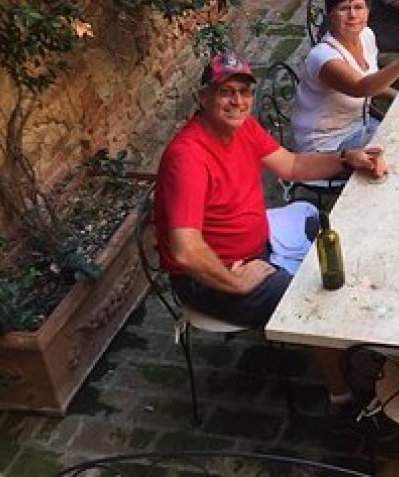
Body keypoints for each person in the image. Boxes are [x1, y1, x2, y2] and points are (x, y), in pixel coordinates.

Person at [155, 52, 382, 407]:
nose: (238, 102)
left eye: (244, 92)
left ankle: (354, 345)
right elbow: (185, 249)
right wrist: (236, 282)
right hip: (212, 275)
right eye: (226, 92)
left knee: (338, 240)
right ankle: (344, 396)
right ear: (203, 98)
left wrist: (344, 160)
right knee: (313, 303)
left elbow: (291, 165)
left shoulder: (243, 127)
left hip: (261, 242)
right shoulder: (187, 158)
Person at [290, 0, 399, 155]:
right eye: (344, 8)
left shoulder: (366, 35)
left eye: (359, 7)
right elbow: (361, 87)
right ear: (330, 15)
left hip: (360, 125)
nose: (353, 15)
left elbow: (370, 80)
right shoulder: (323, 58)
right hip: (326, 144)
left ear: (368, 12)